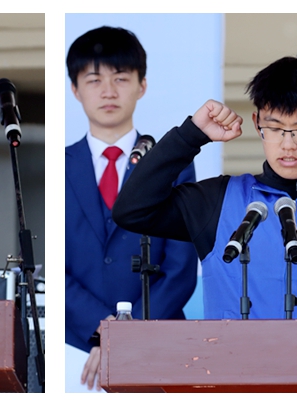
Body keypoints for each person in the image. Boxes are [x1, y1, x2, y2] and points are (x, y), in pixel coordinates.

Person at [113, 55, 297, 320]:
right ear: (257, 124)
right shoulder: (220, 200)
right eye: (275, 128)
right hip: (234, 369)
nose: (288, 144)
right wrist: (191, 135)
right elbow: (132, 210)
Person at [64, 26, 198, 390]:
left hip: (160, 343)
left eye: (121, 78)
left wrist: (129, 331)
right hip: (74, 350)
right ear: (75, 89)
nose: (108, 91)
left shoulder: (173, 166)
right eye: (94, 80)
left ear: (142, 86)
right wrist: (101, 328)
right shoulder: (57, 167)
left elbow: (181, 267)